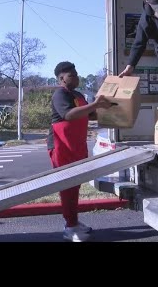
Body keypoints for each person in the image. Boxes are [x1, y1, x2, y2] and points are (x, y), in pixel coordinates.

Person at [47, 61, 112, 242]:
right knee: (67, 185)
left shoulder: (77, 94)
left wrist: (109, 108)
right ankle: (70, 227)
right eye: (72, 75)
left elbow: (89, 114)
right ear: (61, 78)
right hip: (61, 146)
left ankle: (74, 221)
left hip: (76, 144)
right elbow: (69, 115)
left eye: (76, 74)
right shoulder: (59, 95)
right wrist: (95, 105)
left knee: (75, 184)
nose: (76, 77)